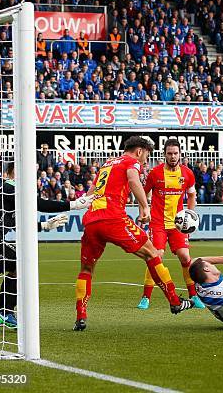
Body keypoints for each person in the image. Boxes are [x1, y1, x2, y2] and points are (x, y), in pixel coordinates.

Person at [74, 137, 194, 331]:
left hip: (91, 220)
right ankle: (175, 301)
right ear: (139, 151)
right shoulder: (131, 162)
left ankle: (80, 316)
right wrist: (145, 207)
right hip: (113, 218)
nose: (146, 160)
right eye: (147, 155)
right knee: (152, 254)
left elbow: (91, 191)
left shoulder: (107, 164)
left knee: (86, 269)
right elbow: (132, 179)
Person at [0, 162, 94, 328]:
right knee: (20, 264)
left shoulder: (6, 194)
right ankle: (4, 313)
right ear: (10, 173)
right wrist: (73, 205)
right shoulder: (8, 187)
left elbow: (20, 224)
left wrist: (44, 226)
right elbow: (38, 204)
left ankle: (3, 313)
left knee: (17, 266)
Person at [137, 139, 205, 310]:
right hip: (158, 223)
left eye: (175, 153)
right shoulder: (155, 173)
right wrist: (142, 213)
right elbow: (142, 194)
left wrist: (190, 214)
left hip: (179, 224)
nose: (173, 156)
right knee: (156, 256)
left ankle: (193, 295)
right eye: (169, 153)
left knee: (185, 257)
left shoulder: (187, 174)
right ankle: (146, 297)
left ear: (180, 154)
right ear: (164, 155)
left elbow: (191, 195)